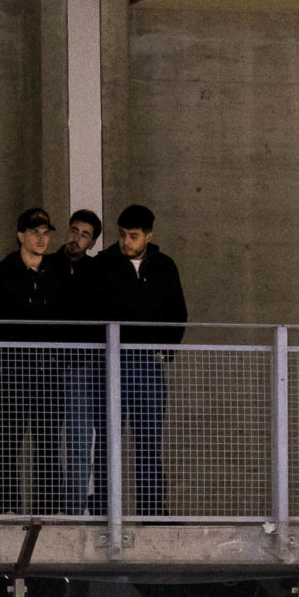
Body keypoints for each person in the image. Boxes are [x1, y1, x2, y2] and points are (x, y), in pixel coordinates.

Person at [84, 204, 189, 515]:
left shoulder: (164, 266)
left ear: (148, 236)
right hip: (109, 361)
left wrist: (165, 350)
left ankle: (152, 510)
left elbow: (178, 312)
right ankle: (104, 510)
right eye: (122, 235)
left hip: (147, 362)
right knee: (107, 439)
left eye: (133, 236)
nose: (126, 242)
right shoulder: (103, 264)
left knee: (149, 440)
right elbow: (90, 310)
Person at [0, 208, 69, 516]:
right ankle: (8, 508)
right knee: (10, 442)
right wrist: (8, 340)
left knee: (48, 443)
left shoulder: (59, 272)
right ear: (21, 235)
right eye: (35, 233)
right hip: (15, 371)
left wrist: (61, 349)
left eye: (46, 233)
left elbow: (73, 315)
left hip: (51, 371)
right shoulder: (0, 272)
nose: (42, 239)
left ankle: (48, 509)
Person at [56, 210, 106, 509]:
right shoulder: (49, 265)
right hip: (55, 366)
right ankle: (62, 507)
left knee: (85, 440)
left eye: (84, 235)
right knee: (57, 441)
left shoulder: (96, 271)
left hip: (86, 364)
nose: (76, 238)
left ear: (93, 242)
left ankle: (83, 507)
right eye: (74, 230)